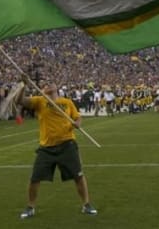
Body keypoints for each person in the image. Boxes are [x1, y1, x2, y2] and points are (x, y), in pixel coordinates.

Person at [12, 81, 97, 219]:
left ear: (56, 87)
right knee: (35, 178)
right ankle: (30, 207)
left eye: (51, 84)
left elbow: (77, 117)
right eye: (46, 85)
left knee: (78, 176)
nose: (49, 85)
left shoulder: (67, 102)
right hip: (46, 147)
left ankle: (86, 204)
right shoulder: (39, 101)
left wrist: (77, 124)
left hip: (67, 144)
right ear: (43, 90)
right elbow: (19, 100)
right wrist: (23, 86)